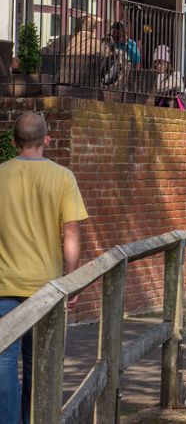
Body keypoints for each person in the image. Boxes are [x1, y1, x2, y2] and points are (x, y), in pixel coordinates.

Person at [0, 112, 88, 424]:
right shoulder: (63, 178)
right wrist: (72, 278)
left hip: (4, 286)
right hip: (46, 289)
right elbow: (71, 233)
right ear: (47, 140)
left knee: (4, 363)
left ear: (13, 142)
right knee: (40, 363)